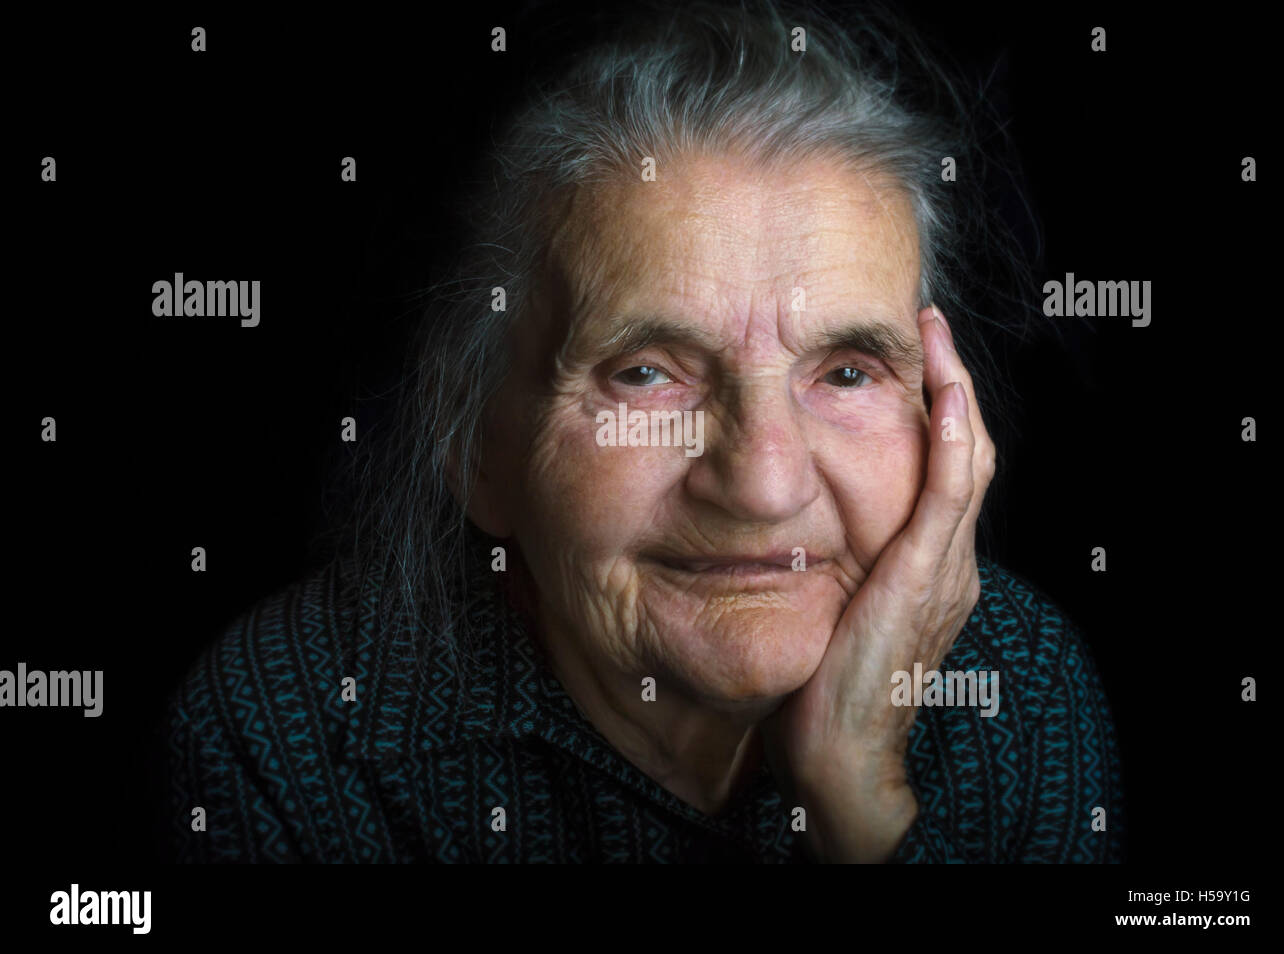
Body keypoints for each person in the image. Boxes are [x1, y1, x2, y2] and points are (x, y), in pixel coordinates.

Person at [164, 0, 1124, 863]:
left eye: (845, 372)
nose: (762, 482)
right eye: (647, 373)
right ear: (478, 446)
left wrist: (860, 802)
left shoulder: (1021, 691)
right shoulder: (284, 733)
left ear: (945, 424)